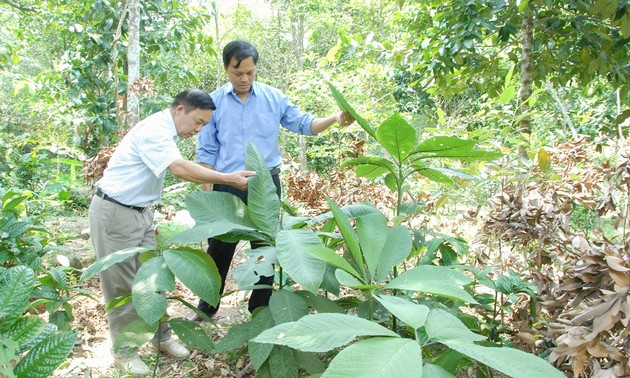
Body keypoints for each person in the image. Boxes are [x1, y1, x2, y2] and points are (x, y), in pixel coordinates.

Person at [89, 89, 255, 375]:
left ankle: (161, 336)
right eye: (198, 121)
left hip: (140, 212)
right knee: (123, 285)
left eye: (204, 124)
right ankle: (124, 350)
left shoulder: (168, 131)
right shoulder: (155, 129)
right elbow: (179, 168)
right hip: (115, 213)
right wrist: (227, 178)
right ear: (180, 110)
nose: (199, 129)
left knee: (153, 279)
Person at [189, 40, 354, 321]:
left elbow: (305, 124)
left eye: (250, 73)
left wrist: (335, 118)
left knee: (264, 248)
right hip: (227, 183)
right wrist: (207, 199)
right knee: (219, 247)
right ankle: (207, 307)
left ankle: (260, 308)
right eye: (237, 73)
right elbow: (207, 153)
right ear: (226, 68)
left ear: (256, 69)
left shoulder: (273, 98)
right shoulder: (213, 104)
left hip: (265, 184)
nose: (244, 79)